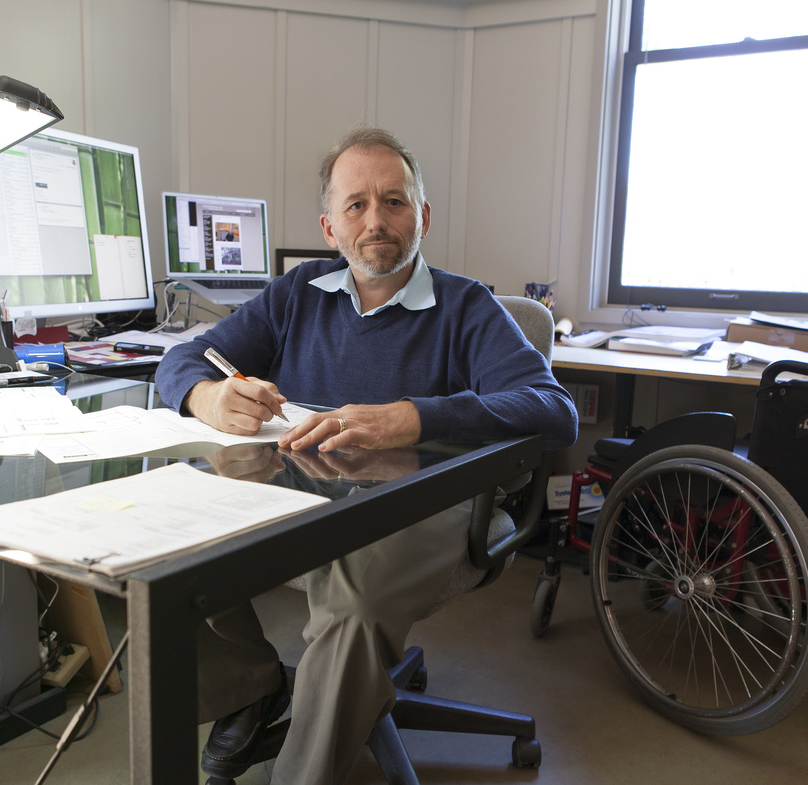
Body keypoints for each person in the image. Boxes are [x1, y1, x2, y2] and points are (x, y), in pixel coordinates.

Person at [155, 125, 578, 785]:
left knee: (352, 599)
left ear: (424, 216)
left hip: (432, 509)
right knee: (161, 531)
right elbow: (181, 358)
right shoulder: (295, 295)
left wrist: (416, 416)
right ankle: (250, 690)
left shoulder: (467, 306)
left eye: (395, 201)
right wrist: (206, 396)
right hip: (303, 501)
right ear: (330, 226)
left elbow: (554, 410)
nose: (376, 220)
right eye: (356, 205)